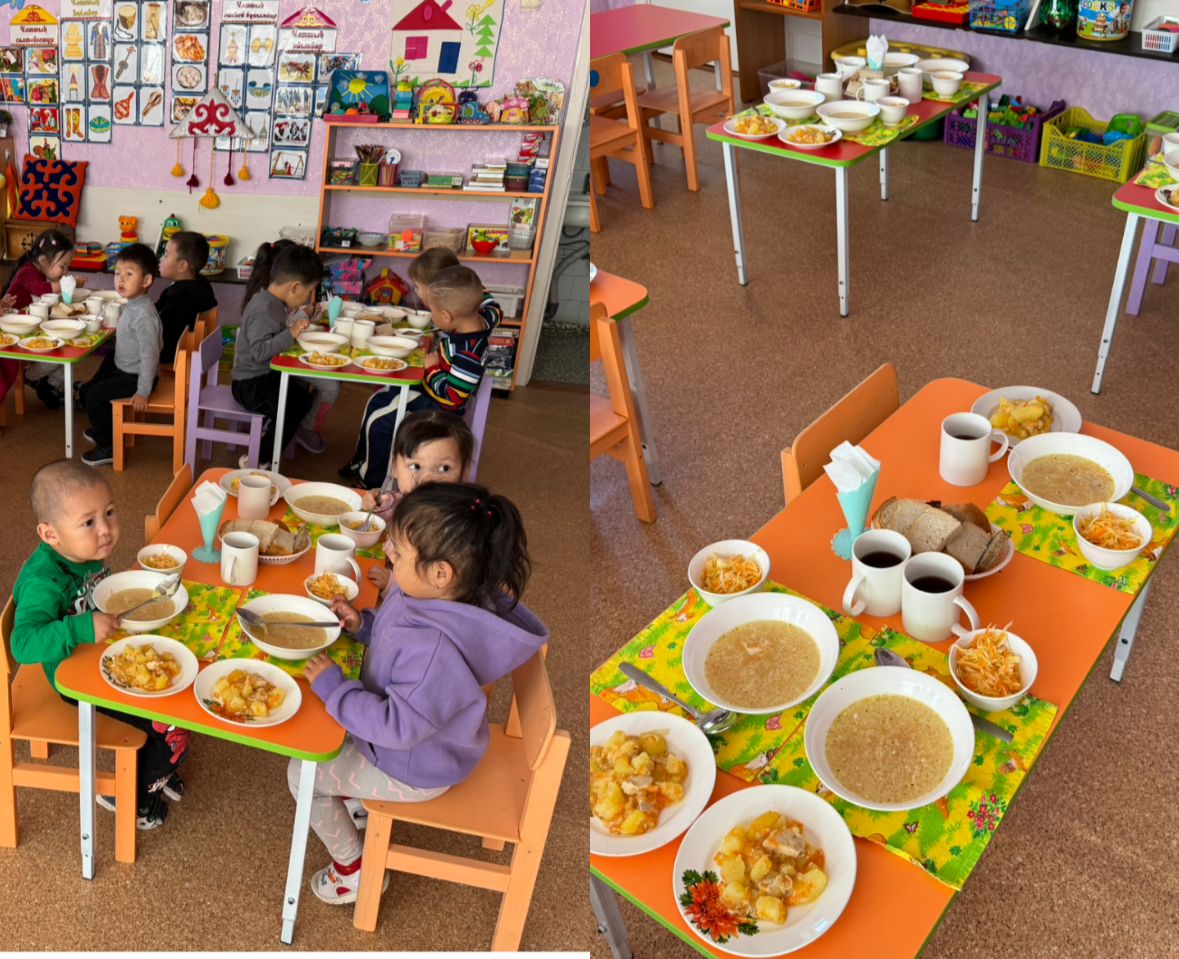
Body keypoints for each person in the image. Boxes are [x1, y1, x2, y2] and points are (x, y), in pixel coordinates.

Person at [290, 482, 548, 905]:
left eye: (398, 550)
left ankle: (353, 870)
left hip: (413, 765)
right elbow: (396, 641)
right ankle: (356, 796)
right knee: (325, 730)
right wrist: (364, 626)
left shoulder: (434, 649)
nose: (388, 551)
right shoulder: (428, 595)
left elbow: (396, 727)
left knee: (302, 774)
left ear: (441, 572)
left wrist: (335, 689)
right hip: (415, 738)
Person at [11, 460, 190, 829]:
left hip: (98, 655)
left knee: (175, 682)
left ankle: (155, 769)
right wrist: (79, 628)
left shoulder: (81, 551)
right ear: (50, 534)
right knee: (173, 724)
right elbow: (22, 644)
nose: (106, 530)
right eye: (89, 522)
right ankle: (133, 798)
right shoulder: (44, 582)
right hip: (72, 678)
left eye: (109, 512)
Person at [341, 264, 501, 489]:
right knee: (378, 399)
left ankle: (371, 482)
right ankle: (363, 459)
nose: (431, 315)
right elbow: (492, 304)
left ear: (446, 316)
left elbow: (453, 398)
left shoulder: (468, 352)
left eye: (432, 311)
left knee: (380, 420)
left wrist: (433, 368)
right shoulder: (485, 317)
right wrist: (470, 286)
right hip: (432, 391)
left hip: (441, 406)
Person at [360, 410, 475, 596]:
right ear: (394, 467)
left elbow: (438, 592)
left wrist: (391, 585)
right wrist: (378, 501)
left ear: (465, 470)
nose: (427, 478)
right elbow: (392, 509)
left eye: (444, 468)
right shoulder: (408, 500)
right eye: (415, 466)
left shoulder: (451, 528)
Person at [231, 243, 321, 466]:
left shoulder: (271, 302)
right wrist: (290, 333)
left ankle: (273, 433)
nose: (309, 297)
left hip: (263, 376)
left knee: (301, 396)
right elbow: (260, 352)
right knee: (295, 406)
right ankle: (258, 459)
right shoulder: (264, 309)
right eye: (309, 291)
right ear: (295, 287)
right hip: (250, 385)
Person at [79, 243, 162, 466]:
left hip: (137, 377)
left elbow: (150, 355)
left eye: (129, 274)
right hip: (125, 366)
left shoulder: (144, 315)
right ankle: (104, 426)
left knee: (95, 396)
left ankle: (109, 446)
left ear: (146, 280)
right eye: (117, 273)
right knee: (87, 388)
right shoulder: (133, 304)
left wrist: (143, 391)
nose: (120, 280)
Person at [2, 228, 84, 409]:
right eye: (63, 266)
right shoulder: (27, 271)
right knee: (61, 350)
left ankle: (53, 386)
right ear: (44, 261)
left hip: (28, 325)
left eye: (67, 267)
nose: (66, 271)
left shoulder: (39, 270)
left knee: (65, 344)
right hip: (13, 330)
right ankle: (31, 377)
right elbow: (41, 289)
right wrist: (68, 283)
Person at [156, 230, 216, 363]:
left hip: (172, 355)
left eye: (166, 255)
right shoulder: (202, 283)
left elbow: (163, 331)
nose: (160, 259)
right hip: (190, 351)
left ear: (182, 266)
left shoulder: (178, 296)